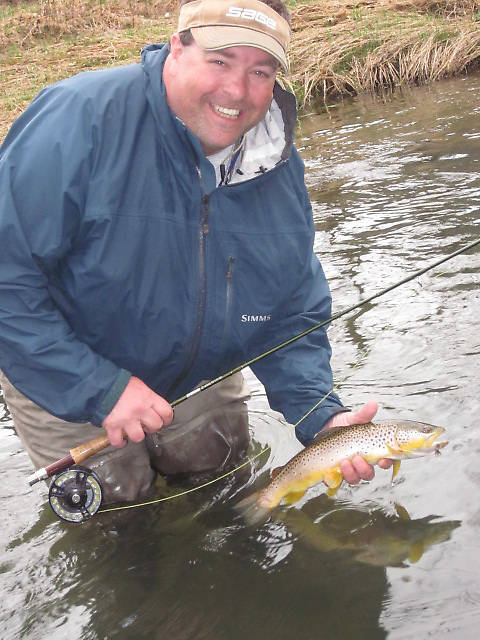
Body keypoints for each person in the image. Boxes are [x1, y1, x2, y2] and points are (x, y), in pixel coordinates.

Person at [0, 0, 391, 504]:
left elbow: (286, 305)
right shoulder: (77, 122)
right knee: (120, 532)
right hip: (65, 369)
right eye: (220, 61)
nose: (236, 90)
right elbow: (7, 281)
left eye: (260, 71)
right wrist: (101, 389)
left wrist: (321, 415)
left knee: (225, 487)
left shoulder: (274, 162)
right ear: (177, 47)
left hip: (198, 375)